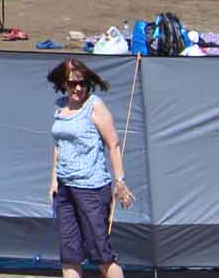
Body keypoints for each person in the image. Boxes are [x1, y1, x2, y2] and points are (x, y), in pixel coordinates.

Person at [46, 58, 132, 278]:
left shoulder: (95, 106)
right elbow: (59, 145)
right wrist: (54, 181)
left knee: (102, 256)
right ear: (63, 83)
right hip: (65, 190)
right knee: (69, 256)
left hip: (92, 190)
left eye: (82, 83)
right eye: (73, 83)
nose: (78, 88)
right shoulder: (60, 107)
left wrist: (120, 182)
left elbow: (113, 145)